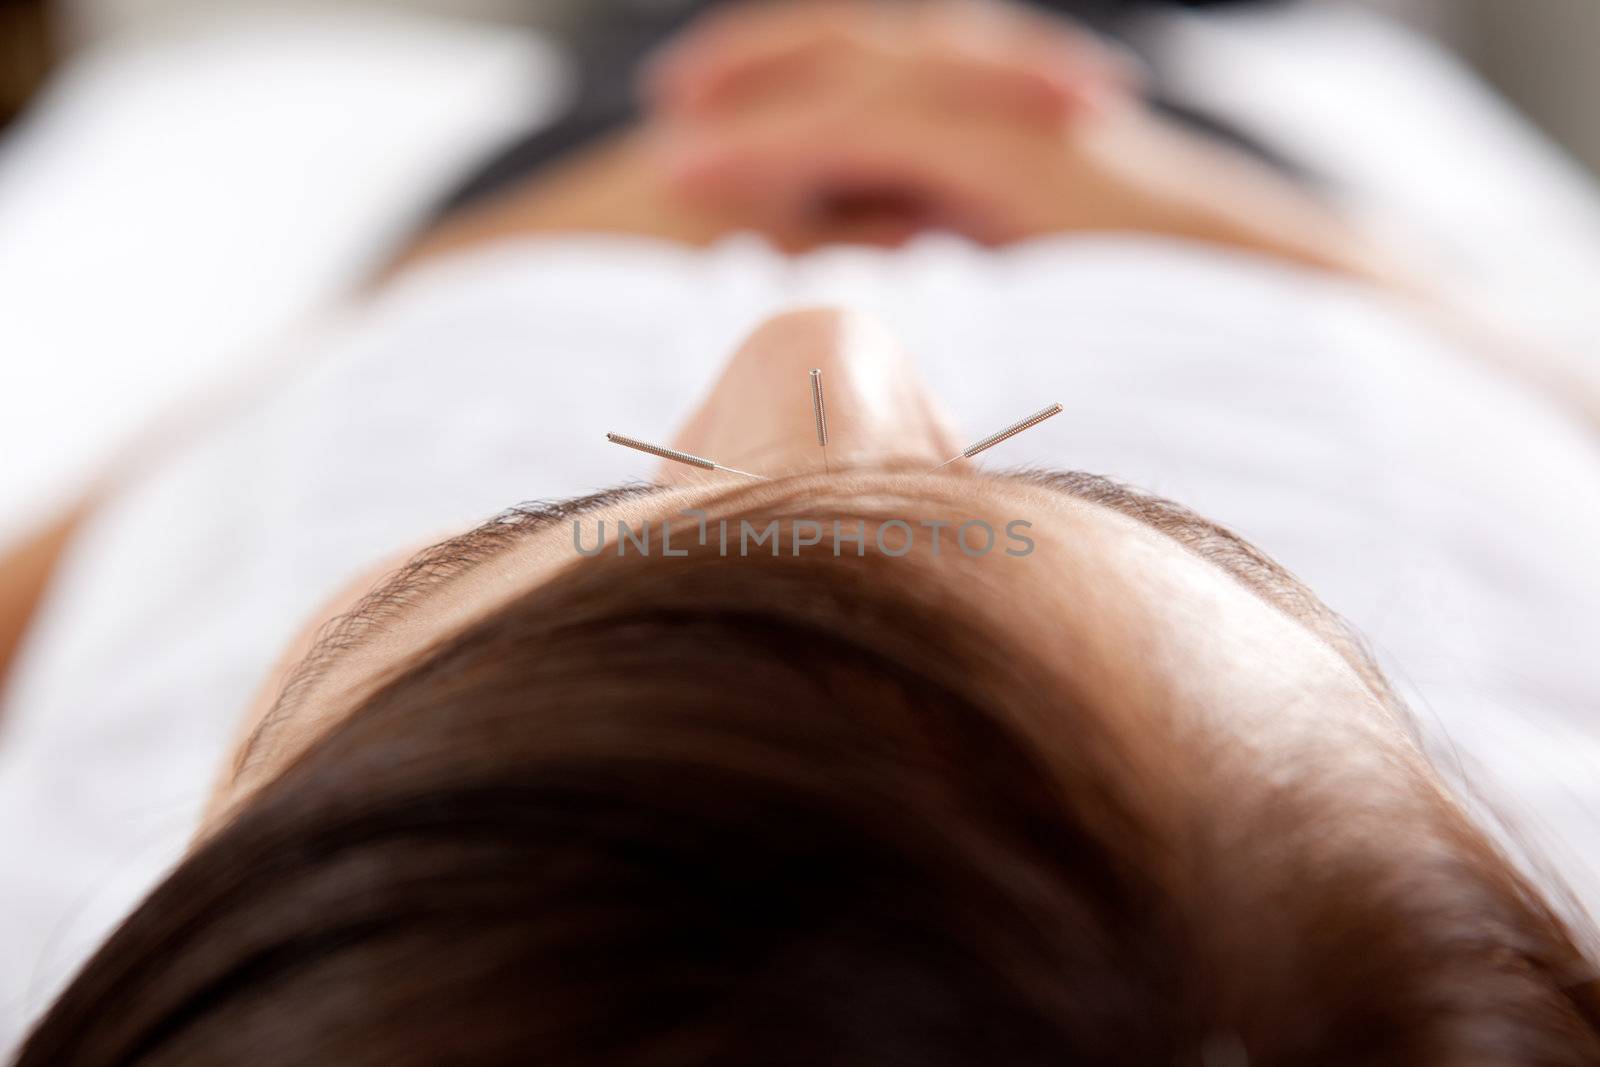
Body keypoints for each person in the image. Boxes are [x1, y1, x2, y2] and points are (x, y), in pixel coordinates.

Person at [5, 1, 1600, 1062]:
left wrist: (461, 269)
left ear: (250, 816)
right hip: (1137, 177)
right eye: (1058, 498)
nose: (821, 344)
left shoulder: (186, 963)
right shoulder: (1470, 979)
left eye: (592, 544)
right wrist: (1297, 241)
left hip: (590, 192)